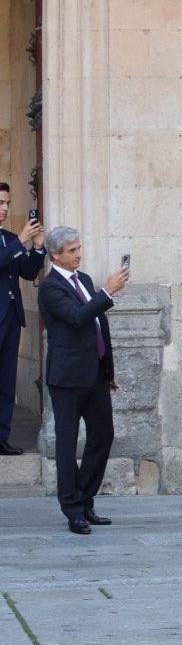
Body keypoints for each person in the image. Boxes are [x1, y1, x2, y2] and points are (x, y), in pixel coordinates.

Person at [38, 227, 127, 534]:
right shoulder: (50, 288)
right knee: (66, 443)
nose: (79, 254)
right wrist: (108, 292)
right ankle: (72, 509)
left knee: (103, 434)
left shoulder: (84, 280)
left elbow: (99, 325)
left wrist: (109, 369)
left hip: (95, 375)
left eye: (79, 248)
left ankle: (85, 498)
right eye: (72, 250)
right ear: (56, 256)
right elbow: (77, 318)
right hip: (67, 378)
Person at [0, 183, 45, 455]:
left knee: (6, 381)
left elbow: (27, 272)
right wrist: (21, 239)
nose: (4, 208)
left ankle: (1, 437)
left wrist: (37, 249)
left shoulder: (7, 238)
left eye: (6, 202)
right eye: (0, 203)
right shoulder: (12, 240)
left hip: (11, 318)